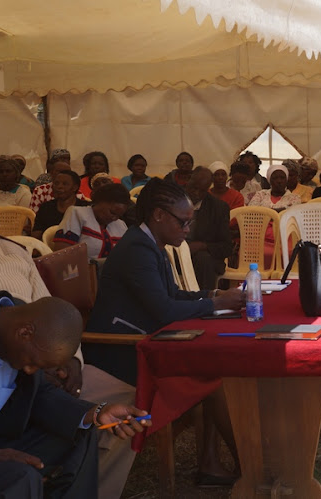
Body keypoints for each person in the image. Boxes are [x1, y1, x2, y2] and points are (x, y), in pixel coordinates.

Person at [0, 169, 142, 499]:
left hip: (35, 370)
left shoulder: (15, 254)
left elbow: (51, 312)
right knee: (19, 473)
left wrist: (70, 361)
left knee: (100, 418)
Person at [85, 177, 244, 484]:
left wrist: (214, 297)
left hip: (142, 341)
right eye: (183, 223)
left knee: (215, 371)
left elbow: (171, 297)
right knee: (215, 378)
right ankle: (248, 470)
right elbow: (166, 311)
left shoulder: (148, 243)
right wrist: (216, 305)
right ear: (158, 215)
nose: (187, 230)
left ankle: (217, 464)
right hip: (120, 354)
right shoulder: (138, 250)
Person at [0, 293, 150, 499]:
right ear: (24, 333)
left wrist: (95, 413)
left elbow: (38, 391)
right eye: (32, 362)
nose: (29, 370)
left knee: (79, 434)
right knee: (22, 478)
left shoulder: (20, 321)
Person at [185, 167, 234, 289]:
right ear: (188, 181)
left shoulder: (218, 208)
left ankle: (205, 302)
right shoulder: (174, 200)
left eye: (201, 190)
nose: (196, 193)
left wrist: (202, 246)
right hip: (175, 252)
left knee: (203, 259)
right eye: (193, 188)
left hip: (205, 258)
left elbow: (226, 247)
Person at [54, 182, 131, 259]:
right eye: (112, 212)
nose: (114, 218)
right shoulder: (77, 214)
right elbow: (62, 255)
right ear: (101, 200)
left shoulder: (121, 225)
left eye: (119, 216)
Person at [32, 170, 88, 240]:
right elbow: (36, 234)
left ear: (75, 187)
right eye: (56, 183)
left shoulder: (86, 208)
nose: (59, 186)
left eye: (65, 184)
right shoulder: (46, 207)